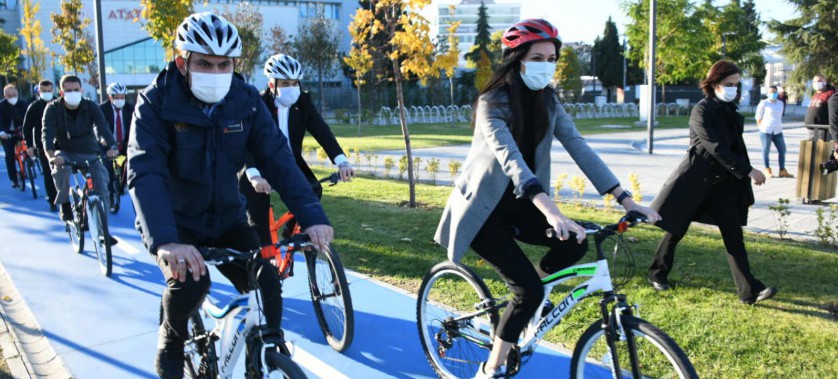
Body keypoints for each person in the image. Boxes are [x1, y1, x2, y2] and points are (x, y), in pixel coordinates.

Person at [433, 19, 660, 378]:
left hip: (524, 208)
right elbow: (513, 163)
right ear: (516, 58)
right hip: (484, 213)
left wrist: (625, 199)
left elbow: (579, 147)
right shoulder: (491, 102)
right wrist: (552, 211)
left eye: (552, 58)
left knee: (576, 243)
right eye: (538, 57)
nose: (547, 65)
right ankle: (492, 368)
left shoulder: (548, 101)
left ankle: (528, 299)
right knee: (528, 290)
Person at [126, 13, 333, 379]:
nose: (215, 71)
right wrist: (166, 240)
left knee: (266, 280)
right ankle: (171, 338)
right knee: (194, 282)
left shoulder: (246, 101)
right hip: (176, 225)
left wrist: (313, 215)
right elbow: (146, 173)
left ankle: (268, 351)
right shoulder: (155, 103)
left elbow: (279, 160)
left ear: (235, 64)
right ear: (182, 62)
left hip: (227, 219)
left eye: (224, 64)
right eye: (204, 63)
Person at [648, 60, 777, 306]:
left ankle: (749, 291)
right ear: (715, 83)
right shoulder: (702, 110)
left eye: (737, 85)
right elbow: (714, 147)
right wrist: (748, 170)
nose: (734, 89)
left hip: (722, 186)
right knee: (675, 230)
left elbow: (734, 147)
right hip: (695, 182)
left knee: (733, 236)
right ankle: (657, 273)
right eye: (729, 84)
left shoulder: (730, 111)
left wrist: (742, 173)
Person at [241, 53, 354, 257]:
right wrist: (254, 175)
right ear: (272, 84)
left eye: (295, 82)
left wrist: (342, 162)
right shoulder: (256, 103)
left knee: (314, 189)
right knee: (259, 221)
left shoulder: (303, 102)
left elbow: (322, 131)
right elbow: (245, 141)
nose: (291, 87)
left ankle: (291, 234)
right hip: (257, 166)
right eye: (285, 83)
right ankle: (263, 259)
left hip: (288, 164)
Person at [42, 75, 118, 221]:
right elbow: (47, 134)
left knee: (101, 181)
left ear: (81, 90)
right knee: (60, 171)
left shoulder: (91, 106)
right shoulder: (52, 108)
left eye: (76, 90)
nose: (72, 93)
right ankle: (64, 203)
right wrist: (51, 156)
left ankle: (103, 228)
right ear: (61, 92)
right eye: (68, 90)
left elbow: (102, 126)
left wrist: (112, 146)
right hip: (64, 151)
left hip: (88, 150)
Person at [23, 80, 58, 210]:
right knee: (48, 172)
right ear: (39, 91)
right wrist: (29, 145)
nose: (47, 93)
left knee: (61, 171)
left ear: (53, 90)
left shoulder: (59, 104)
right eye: (44, 91)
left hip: (60, 143)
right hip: (42, 144)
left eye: (49, 90)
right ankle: (52, 199)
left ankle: (63, 195)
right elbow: (27, 127)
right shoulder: (34, 107)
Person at [99, 82, 134, 210]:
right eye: (117, 97)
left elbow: (136, 127)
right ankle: (110, 195)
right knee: (107, 169)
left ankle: (123, 184)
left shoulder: (131, 109)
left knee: (132, 165)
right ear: (110, 97)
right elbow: (98, 127)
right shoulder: (102, 109)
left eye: (122, 97)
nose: (120, 100)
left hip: (125, 144)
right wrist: (104, 141)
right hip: (107, 144)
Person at [755, 86, 792, 178]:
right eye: (771, 92)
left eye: (774, 92)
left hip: (778, 130)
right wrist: (761, 127)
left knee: (782, 149)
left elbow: (779, 116)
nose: (773, 94)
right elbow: (758, 117)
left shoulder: (780, 103)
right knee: (766, 151)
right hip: (766, 130)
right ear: (768, 93)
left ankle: (782, 170)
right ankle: (767, 169)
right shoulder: (764, 103)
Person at [0, 84, 28, 189]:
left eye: (14, 94)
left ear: (18, 94)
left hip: (21, 132)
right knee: (9, 155)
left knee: (28, 150)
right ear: (5, 95)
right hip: (7, 134)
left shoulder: (24, 104)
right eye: (9, 95)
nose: (12, 97)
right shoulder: (1, 106)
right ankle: (13, 179)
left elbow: (28, 118)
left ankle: (29, 165)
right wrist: (2, 132)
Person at [803, 74, 835, 141]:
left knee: (822, 148)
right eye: (814, 81)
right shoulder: (816, 94)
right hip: (811, 127)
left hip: (823, 128)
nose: (816, 83)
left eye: (819, 81)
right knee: (811, 148)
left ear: (825, 82)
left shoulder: (831, 93)